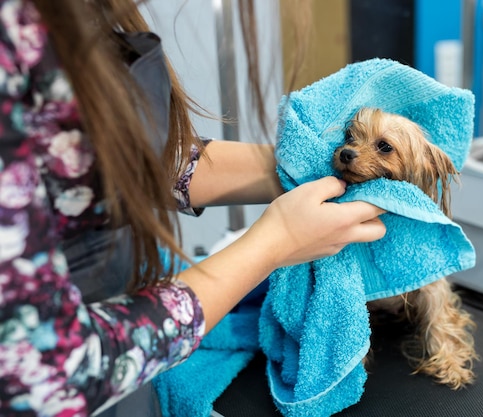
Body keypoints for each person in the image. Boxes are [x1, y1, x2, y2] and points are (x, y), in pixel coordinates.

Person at [0, 0, 386, 415]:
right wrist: (276, 243)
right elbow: (47, 372)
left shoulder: (80, 15)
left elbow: (114, 162)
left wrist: (303, 169)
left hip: (130, 347)